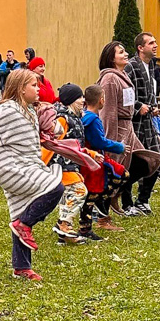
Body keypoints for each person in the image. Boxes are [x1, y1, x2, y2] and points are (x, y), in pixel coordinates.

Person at [0, 70, 64, 281]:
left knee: (19, 211)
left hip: (27, 164)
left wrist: (53, 128)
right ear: (21, 89)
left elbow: (47, 127)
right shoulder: (8, 111)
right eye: (34, 86)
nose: (38, 89)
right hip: (13, 167)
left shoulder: (28, 110)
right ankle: (25, 224)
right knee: (55, 187)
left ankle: (21, 266)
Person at [96, 41, 160, 219]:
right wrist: (110, 140)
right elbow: (107, 111)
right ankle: (103, 214)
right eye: (121, 52)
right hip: (117, 130)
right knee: (114, 171)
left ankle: (117, 192)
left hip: (128, 128)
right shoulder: (110, 78)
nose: (125, 54)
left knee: (146, 162)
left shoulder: (121, 75)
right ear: (111, 58)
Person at [48, 84, 98, 244]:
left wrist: (90, 153)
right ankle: (63, 224)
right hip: (61, 164)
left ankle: (64, 235)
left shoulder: (75, 117)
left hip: (70, 164)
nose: (83, 100)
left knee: (67, 196)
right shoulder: (62, 119)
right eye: (79, 98)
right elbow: (52, 143)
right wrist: (42, 164)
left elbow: (74, 144)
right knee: (79, 191)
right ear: (70, 101)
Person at [79, 84, 129, 237]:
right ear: (101, 100)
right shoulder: (92, 119)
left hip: (94, 159)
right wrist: (119, 147)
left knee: (121, 175)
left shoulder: (87, 116)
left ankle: (105, 205)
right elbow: (99, 142)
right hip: (94, 161)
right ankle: (86, 228)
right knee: (92, 193)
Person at [123, 32, 160, 216]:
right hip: (134, 123)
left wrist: (153, 107)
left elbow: (151, 91)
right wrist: (139, 106)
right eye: (151, 43)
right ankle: (126, 203)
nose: (155, 45)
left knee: (156, 158)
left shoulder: (152, 65)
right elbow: (124, 93)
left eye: (155, 42)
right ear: (140, 47)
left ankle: (143, 200)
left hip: (149, 122)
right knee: (132, 162)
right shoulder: (131, 66)